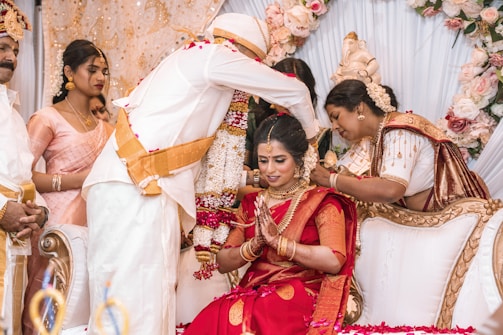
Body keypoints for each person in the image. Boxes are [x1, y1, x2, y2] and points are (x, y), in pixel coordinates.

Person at [82, 12, 319, 335]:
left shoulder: (186, 58)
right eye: (252, 63)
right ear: (244, 52)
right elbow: (295, 92)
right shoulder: (216, 56)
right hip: (139, 185)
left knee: (125, 288)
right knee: (140, 290)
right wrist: (310, 137)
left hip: (124, 184)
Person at [184, 114, 357, 334]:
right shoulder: (252, 203)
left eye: (279, 160)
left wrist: (279, 242)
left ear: (299, 160)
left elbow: (334, 260)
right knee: (215, 315)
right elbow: (224, 261)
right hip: (254, 291)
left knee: (260, 311)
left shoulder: (322, 202)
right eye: (263, 161)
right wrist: (253, 246)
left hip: (303, 290)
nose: (270, 170)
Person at [22, 39, 113, 334]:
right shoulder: (47, 118)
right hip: (57, 223)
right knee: (48, 302)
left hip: (97, 221)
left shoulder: (107, 128)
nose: (101, 77)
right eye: (92, 69)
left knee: (83, 305)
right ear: (69, 73)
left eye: (104, 71)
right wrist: (76, 180)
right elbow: (21, 175)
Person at [310, 79, 489, 212]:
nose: (333, 127)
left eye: (336, 116)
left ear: (359, 108)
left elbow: (390, 190)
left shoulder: (399, 130)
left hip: (454, 220)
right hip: (423, 223)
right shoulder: (374, 138)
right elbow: (345, 173)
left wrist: (331, 180)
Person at [0, 1, 48, 334]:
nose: (12, 58)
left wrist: (39, 212)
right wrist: (2, 209)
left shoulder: (14, 114)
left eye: (15, 50)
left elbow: (23, 176)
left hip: (14, 236)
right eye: (3, 47)